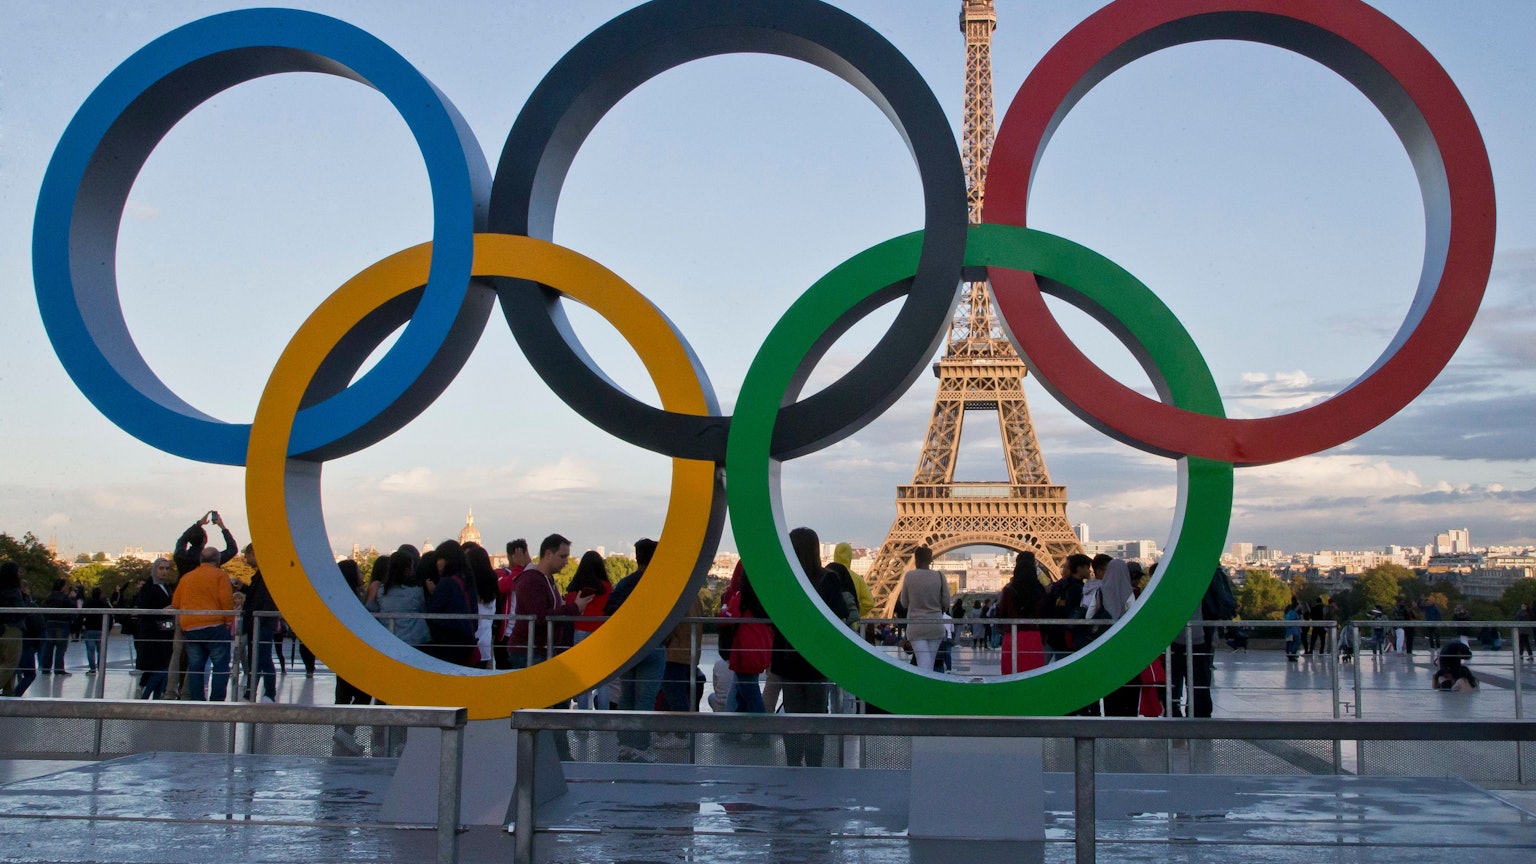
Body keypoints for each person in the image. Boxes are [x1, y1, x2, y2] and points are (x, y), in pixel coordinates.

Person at [774, 527, 849, 767]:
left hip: (790, 657)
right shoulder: (830, 579)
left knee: (793, 714)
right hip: (819, 658)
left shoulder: (785, 579)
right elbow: (840, 613)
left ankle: (793, 761)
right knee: (817, 713)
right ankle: (815, 762)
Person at [609, 538, 665, 761]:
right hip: (653, 645)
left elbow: (610, 609)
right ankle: (641, 747)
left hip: (629, 647)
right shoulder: (660, 583)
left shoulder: (625, 583)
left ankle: (626, 745)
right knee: (645, 699)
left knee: (627, 696)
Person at [171, 546, 235, 701]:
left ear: (200, 560)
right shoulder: (220, 576)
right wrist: (228, 622)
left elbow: (176, 602)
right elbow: (226, 601)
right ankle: (217, 702)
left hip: (191, 627)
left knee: (195, 667)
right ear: (218, 560)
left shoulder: (187, 577)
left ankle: (197, 701)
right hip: (215, 626)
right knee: (220, 666)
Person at [563, 550, 613, 708]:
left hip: (580, 632)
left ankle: (582, 716)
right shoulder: (606, 588)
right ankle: (603, 717)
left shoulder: (575, 588)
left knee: (582, 679)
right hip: (602, 634)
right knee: (604, 679)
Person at [424, 540, 478, 668]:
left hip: (449, 642)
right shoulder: (468, 580)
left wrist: (433, 592)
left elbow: (432, 613)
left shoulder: (446, 584)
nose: (437, 564)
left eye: (439, 559)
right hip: (467, 640)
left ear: (448, 560)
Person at [896, 546, 948, 673]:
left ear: (916, 558)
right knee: (929, 662)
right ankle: (929, 689)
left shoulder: (909, 576)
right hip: (935, 625)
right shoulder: (940, 576)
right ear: (930, 560)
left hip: (917, 625)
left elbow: (904, 602)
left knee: (923, 662)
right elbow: (946, 603)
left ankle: (926, 690)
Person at [366, 547, 430, 649]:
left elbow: (373, 608)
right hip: (414, 641)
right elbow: (423, 610)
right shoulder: (416, 591)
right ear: (408, 569)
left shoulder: (381, 591)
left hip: (388, 638)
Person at [239, 545, 280, 702]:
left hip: (261, 622)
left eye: (247, 555)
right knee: (258, 658)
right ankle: (257, 691)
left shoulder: (265, 575)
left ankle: (266, 692)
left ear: (254, 553)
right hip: (260, 622)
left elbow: (260, 599)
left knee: (261, 657)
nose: (246, 559)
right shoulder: (265, 575)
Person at [132, 558, 176, 699]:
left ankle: (156, 695)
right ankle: (145, 694)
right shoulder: (148, 587)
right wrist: (162, 610)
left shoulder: (165, 587)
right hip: (153, 632)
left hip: (165, 630)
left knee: (163, 664)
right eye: (161, 568)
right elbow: (144, 609)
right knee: (160, 666)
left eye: (167, 568)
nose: (164, 572)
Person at [998, 552, 1046, 675]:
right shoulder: (1039, 589)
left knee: (1011, 674)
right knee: (1033, 675)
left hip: (1012, 635)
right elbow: (1044, 612)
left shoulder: (1009, 590)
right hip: (1033, 636)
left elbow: (1002, 614)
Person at [1044, 554, 1092, 660]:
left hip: (1053, 634)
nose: (1089, 571)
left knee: (1039, 668)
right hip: (1067, 637)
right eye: (1087, 568)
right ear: (1079, 569)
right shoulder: (1079, 589)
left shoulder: (1058, 585)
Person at [494, 539, 531, 669]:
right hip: (505, 635)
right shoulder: (500, 573)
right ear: (510, 557)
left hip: (524, 634)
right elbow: (504, 587)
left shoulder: (530, 575)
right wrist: (519, 567)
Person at [174, 511, 239, 576]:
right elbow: (233, 549)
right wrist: (222, 526)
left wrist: (198, 524)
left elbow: (181, 541)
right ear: (205, 540)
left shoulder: (181, 556)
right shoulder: (212, 558)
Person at [40, 579, 76, 675]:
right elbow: (73, 607)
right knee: (61, 647)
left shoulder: (49, 596)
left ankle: (46, 668)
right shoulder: (64, 597)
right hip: (62, 624)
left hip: (50, 623)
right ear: (63, 587)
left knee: (49, 647)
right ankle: (59, 669)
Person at [0, 562, 24, 695]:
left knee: (4, 663)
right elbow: (20, 611)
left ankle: (9, 694)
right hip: (12, 629)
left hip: (2, 629)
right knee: (11, 662)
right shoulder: (14, 591)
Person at [81, 587, 112, 674]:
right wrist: (109, 628)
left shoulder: (87, 603)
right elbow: (111, 616)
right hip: (101, 629)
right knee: (101, 651)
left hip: (89, 629)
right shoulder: (104, 604)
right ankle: (100, 667)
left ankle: (92, 668)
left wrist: (78, 627)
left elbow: (81, 616)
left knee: (90, 650)